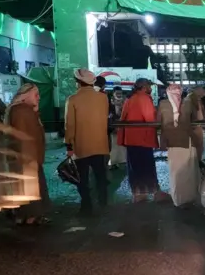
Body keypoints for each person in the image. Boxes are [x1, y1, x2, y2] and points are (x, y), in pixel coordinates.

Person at [65, 68, 110, 216]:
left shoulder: (72, 99)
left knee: (82, 178)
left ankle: (87, 206)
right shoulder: (103, 98)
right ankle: (103, 203)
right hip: (100, 144)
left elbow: (69, 125)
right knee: (100, 176)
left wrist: (69, 145)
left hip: (81, 146)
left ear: (78, 82)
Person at [5, 84, 51, 226]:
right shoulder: (22, 112)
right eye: (35, 94)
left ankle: (26, 216)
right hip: (28, 158)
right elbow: (25, 137)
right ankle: (30, 217)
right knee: (31, 188)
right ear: (25, 96)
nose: (39, 97)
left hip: (26, 158)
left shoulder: (21, 110)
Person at [118, 78, 168, 203]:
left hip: (131, 138)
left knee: (135, 167)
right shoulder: (144, 98)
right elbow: (150, 119)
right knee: (147, 166)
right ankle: (155, 192)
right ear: (144, 87)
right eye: (149, 86)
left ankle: (138, 193)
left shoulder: (131, 98)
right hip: (142, 138)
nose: (151, 89)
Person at [159, 83, 203, 206]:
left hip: (172, 142)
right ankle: (189, 197)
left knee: (175, 170)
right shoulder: (187, 103)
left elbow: (158, 122)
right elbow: (197, 120)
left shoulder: (163, 104)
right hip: (187, 141)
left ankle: (177, 198)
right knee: (188, 170)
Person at [109, 86, 126, 168]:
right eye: (117, 93)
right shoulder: (109, 102)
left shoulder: (125, 102)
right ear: (113, 94)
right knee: (113, 145)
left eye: (120, 93)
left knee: (122, 144)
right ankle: (113, 162)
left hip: (123, 126)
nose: (119, 95)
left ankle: (123, 161)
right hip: (113, 127)